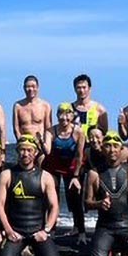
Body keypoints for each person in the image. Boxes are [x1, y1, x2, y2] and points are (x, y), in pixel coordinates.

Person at [0, 134, 60, 256]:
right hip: (16, 232)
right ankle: (16, 249)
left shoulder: (45, 177)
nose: (25, 154)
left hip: (38, 232)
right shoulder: (7, 175)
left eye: (29, 150)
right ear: (17, 151)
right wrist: (8, 231)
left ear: (35, 153)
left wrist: (46, 230)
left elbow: (54, 206)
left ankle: (35, 249)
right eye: (22, 150)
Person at [42, 102, 87, 239]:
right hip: (54, 166)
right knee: (52, 197)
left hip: (71, 168)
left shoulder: (78, 132)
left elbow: (79, 155)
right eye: (61, 114)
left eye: (68, 114)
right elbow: (47, 150)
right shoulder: (51, 131)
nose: (64, 118)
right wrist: (41, 143)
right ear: (57, 116)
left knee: (75, 197)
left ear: (72, 116)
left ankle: (81, 231)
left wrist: (76, 176)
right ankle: (51, 229)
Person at [12, 75, 52, 144]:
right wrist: (21, 141)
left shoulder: (45, 106)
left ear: (38, 87)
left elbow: (48, 129)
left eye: (33, 86)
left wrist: (44, 144)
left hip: (40, 143)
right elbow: (16, 128)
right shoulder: (18, 106)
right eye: (28, 87)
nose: (30, 89)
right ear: (24, 88)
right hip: (24, 143)